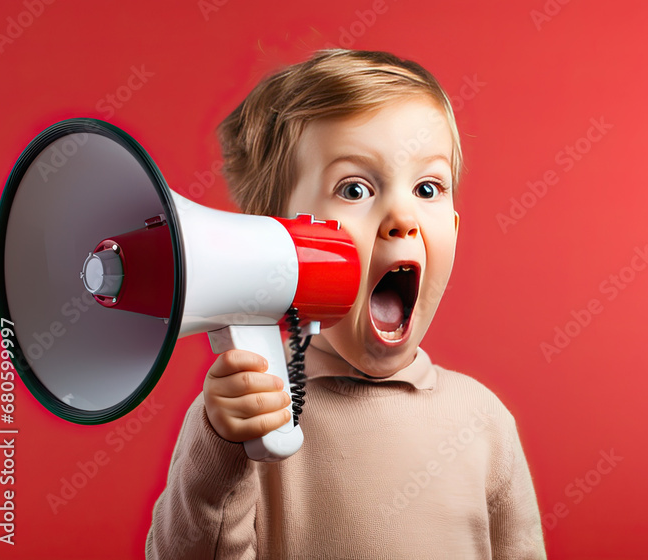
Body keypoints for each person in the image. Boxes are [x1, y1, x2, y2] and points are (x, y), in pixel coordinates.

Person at [146, 49, 546, 559]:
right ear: (277, 238)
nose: (402, 216)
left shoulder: (484, 420)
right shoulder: (248, 419)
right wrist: (223, 450)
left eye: (428, 187)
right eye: (354, 189)